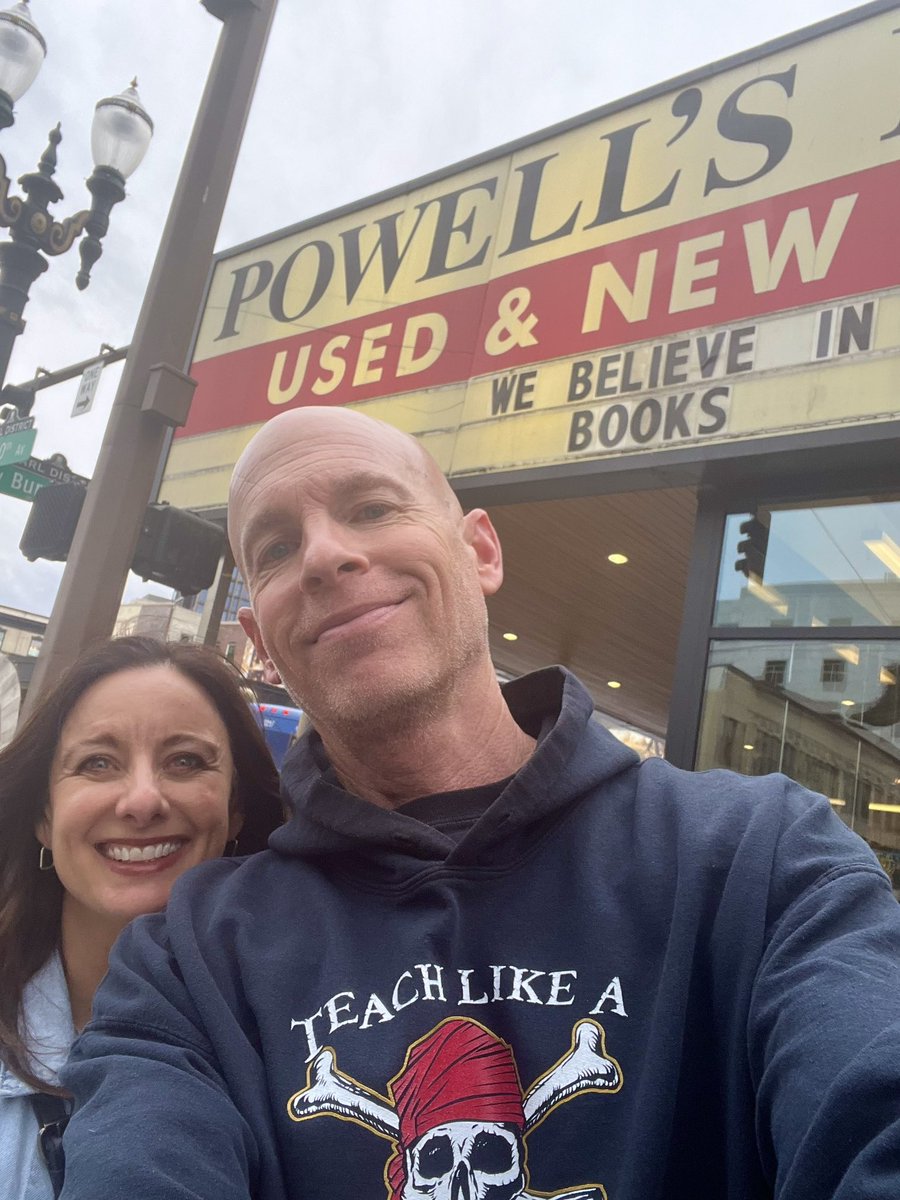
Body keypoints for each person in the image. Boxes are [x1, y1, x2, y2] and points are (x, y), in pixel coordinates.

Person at [60, 408, 900, 1200]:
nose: (323, 556)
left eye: (373, 507)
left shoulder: (763, 860)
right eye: (276, 548)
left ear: (481, 553)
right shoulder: (185, 964)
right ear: (262, 643)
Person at [0, 636, 282, 1200]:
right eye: (97, 763)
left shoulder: (308, 1040)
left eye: (186, 761)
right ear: (42, 816)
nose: (142, 801)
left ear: (236, 812)